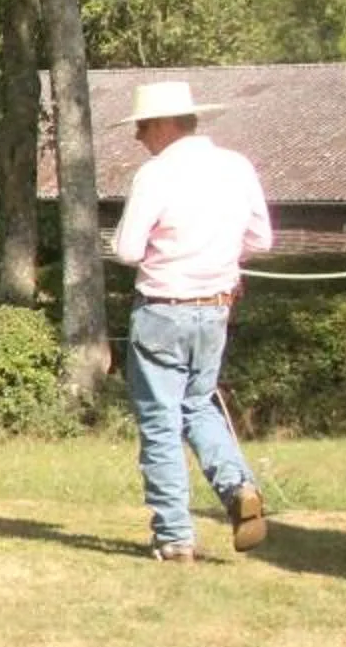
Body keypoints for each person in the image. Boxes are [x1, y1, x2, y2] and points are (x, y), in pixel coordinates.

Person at [109, 81, 274, 562]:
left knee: (160, 421)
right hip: (215, 306)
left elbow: (126, 249)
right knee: (198, 406)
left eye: (142, 127)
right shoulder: (237, 167)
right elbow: (261, 239)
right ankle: (238, 486)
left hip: (163, 308)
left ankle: (175, 535)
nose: (139, 137)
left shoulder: (156, 174)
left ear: (163, 124)